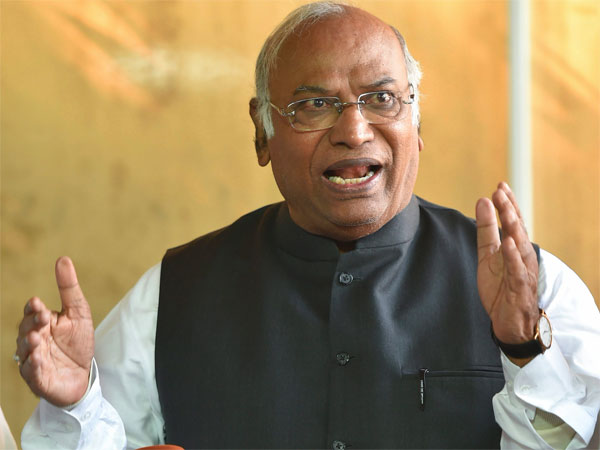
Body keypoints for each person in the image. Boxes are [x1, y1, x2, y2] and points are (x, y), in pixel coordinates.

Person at [16, 2, 600, 449]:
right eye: (314, 105)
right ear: (262, 133)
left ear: (417, 123)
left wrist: (522, 350)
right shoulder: (175, 292)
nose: (354, 130)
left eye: (381, 98)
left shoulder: (531, 288)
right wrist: (76, 407)